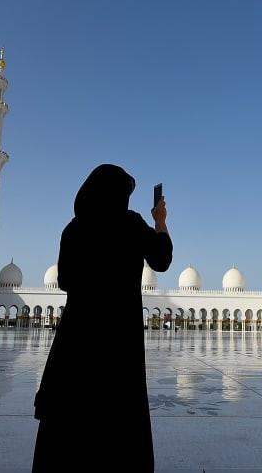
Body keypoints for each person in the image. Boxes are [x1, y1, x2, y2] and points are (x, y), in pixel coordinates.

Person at [32, 164, 173, 472]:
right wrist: (160, 221)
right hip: (118, 338)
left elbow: (65, 280)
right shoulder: (130, 223)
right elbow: (162, 259)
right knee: (118, 410)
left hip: (77, 337)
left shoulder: (73, 228)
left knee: (71, 410)